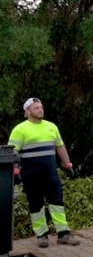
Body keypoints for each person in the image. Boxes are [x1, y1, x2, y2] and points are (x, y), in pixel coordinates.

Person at [8, 97, 80, 248]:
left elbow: (60, 147)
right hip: (30, 175)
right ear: (27, 111)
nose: (40, 110)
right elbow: (12, 152)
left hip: (50, 174)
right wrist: (15, 172)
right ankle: (42, 236)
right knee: (36, 205)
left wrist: (67, 165)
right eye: (36, 108)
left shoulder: (51, 127)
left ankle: (63, 234)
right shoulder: (20, 129)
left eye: (41, 107)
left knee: (57, 203)